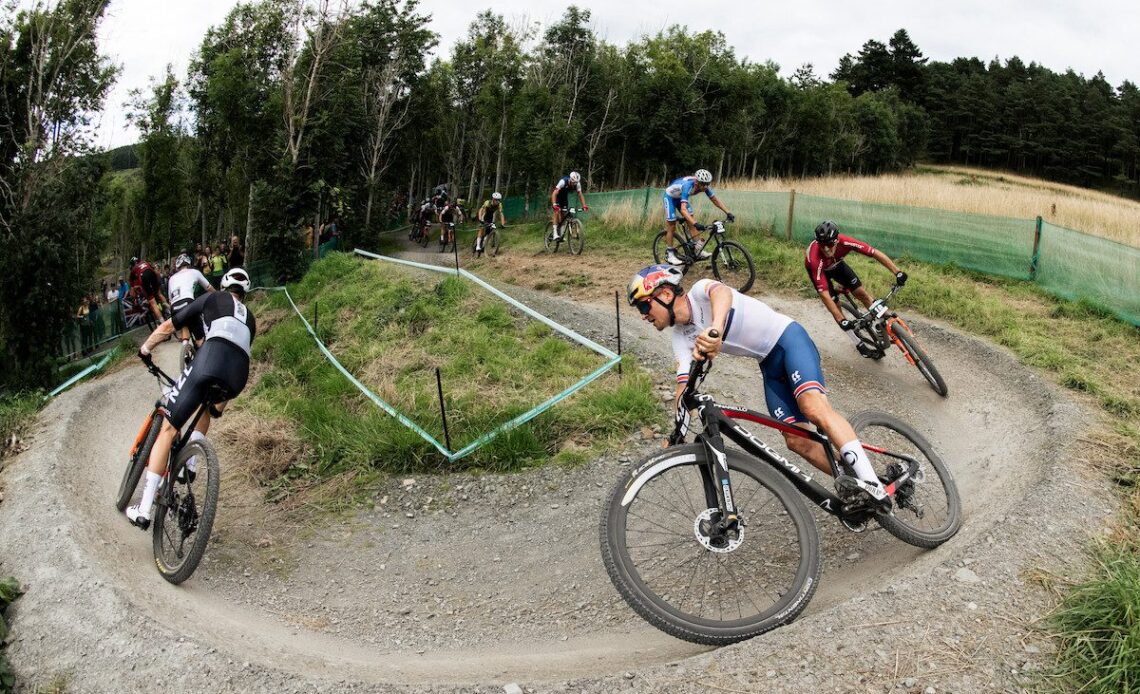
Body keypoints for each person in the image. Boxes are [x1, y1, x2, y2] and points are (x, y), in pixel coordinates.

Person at [626, 264, 891, 509]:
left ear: (664, 294)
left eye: (643, 307)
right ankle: (851, 480)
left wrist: (715, 330)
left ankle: (873, 485)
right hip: (768, 363)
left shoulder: (700, 292)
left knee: (813, 407)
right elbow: (682, 388)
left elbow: (722, 294)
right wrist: (676, 433)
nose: (643, 316)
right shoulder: (680, 338)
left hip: (788, 339)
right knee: (797, 441)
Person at [127, 268, 257, 529]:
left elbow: (169, 325)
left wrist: (145, 349)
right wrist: (220, 406)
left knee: (169, 428)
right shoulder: (251, 319)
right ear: (245, 293)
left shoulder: (212, 299)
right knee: (208, 409)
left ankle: (143, 510)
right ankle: (193, 462)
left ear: (223, 286)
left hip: (211, 359)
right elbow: (236, 351)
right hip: (237, 376)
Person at [805, 220, 908, 358]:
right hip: (820, 272)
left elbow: (874, 253)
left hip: (838, 265)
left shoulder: (845, 241)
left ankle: (883, 320)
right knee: (834, 304)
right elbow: (823, 294)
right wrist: (841, 320)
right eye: (822, 245)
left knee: (862, 293)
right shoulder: (814, 259)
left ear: (836, 241)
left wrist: (897, 272)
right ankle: (858, 343)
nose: (826, 249)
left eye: (829, 245)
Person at [661, 169, 735, 266]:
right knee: (672, 225)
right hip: (670, 197)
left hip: (680, 198)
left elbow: (715, 200)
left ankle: (697, 250)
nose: (705, 187)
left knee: (692, 225)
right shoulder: (688, 186)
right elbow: (683, 210)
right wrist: (695, 223)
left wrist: (728, 212)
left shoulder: (705, 187)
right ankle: (669, 253)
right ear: (697, 182)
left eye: (707, 184)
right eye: (703, 184)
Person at [167, 253, 215, 346]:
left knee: (184, 322)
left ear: (177, 267)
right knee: (200, 337)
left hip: (174, 307)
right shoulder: (194, 272)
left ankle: (185, 347)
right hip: (188, 303)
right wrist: (217, 294)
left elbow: (170, 299)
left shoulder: (171, 278)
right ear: (189, 264)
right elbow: (209, 287)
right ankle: (201, 350)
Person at [128, 257, 169, 323]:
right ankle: (168, 309)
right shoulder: (145, 262)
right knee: (159, 294)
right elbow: (156, 272)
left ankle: (162, 322)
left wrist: (134, 297)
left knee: (153, 303)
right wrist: (158, 283)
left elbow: (132, 289)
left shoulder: (133, 270)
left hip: (144, 279)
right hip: (152, 274)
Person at [549, 172, 588, 241]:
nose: (574, 185)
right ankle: (555, 233)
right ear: (570, 179)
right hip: (557, 196)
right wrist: (554, 204)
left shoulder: (577, 184)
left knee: (563, 215)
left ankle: (561, 234)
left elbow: (580, 194)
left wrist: (584, 205)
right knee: (556, 211)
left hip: (564, 197)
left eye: (575, 183)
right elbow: (554, 193)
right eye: (573, 183)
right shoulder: (563, 181)